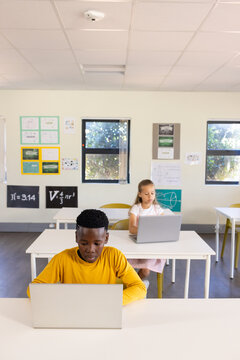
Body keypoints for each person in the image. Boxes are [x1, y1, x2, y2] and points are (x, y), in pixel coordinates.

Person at [27, 209, 146, 306]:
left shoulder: (114, 256)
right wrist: (61, 300)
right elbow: (33, 289)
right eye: (84, 243)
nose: (90, 249)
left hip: (104, 310)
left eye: (97, 243)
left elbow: (139, 287)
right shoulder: (62, 259)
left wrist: (112, 301)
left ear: (106, 238)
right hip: (72, 311)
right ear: (76, 237)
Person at [128, 179, 166, 288]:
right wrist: (146, 230)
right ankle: (136, 285)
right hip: (138, 244)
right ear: (140, 194)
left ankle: (133, 285)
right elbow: (131, 228)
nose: (150, 196)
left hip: (153, 246)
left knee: (145, 271)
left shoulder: (157, 209)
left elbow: (164, 225)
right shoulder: (136, 208)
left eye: (152, 193)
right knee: (129, 269)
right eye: (146, 193)